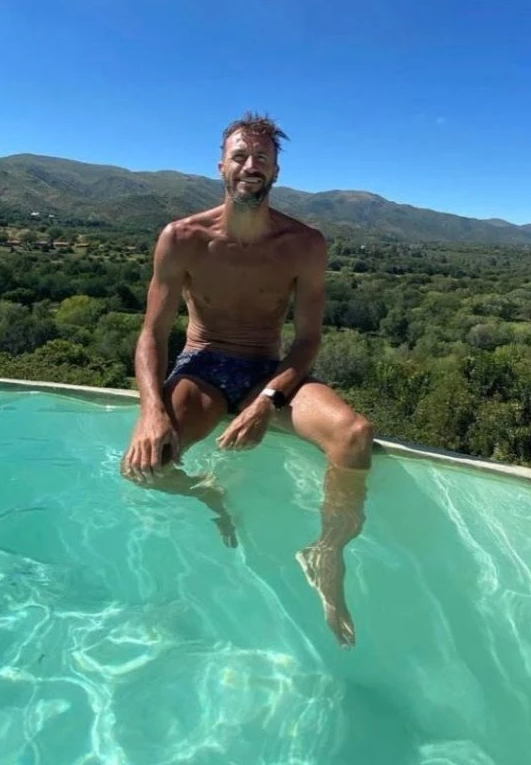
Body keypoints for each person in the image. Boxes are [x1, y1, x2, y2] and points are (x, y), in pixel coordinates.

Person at [121, 112, 375, 646]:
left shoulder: (304, 244)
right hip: (203, 367)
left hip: (270, 369)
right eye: (240, 156)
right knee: (143, 468)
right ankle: (207, 494)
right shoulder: (181, 238)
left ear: (276, 170)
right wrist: (151, 411)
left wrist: (267, 400)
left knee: (354, 436)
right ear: (221, 167)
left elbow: (307, 340)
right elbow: (152, 334)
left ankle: (326, 552)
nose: (250, 165)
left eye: (262, 157)